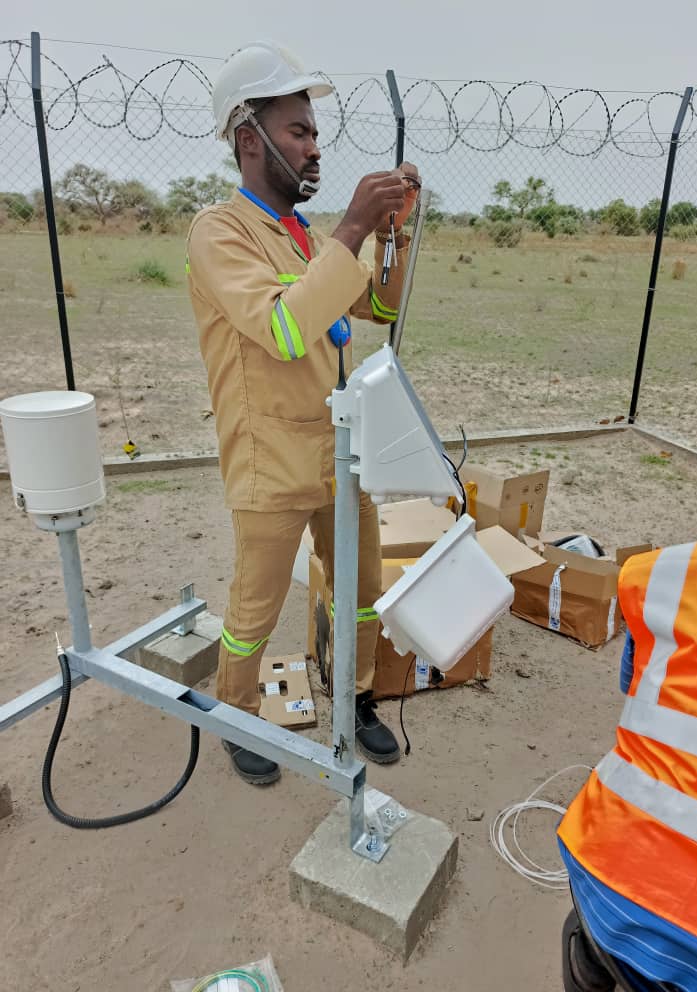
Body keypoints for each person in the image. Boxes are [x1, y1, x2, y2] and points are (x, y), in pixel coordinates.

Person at [186, 42, 420, 784]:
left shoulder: (308, 238)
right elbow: (285, 329)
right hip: (269, 456)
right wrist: (353, 225)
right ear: (249, 141)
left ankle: (353, 701)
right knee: (254, 606)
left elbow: (378, 305)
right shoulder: (220, 233)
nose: (315, 148)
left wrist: (389, 231)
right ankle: (236, 714)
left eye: (316, 133)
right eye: (299, 133)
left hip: (336, 449)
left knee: (359, 588)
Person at [558, 478, 697, 991]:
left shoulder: (660, 572)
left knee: (591, 930)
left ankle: (591, 963)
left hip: (606, 864)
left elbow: (635, 685)